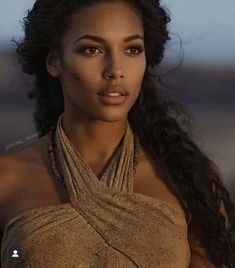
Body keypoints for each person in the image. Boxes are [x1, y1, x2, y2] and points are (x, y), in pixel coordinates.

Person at [0, 0, 234, 267]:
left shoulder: (189, 180)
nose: (116, 70)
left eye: (132, 49)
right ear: (55, 61)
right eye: (91, 49)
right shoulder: (6, 179)